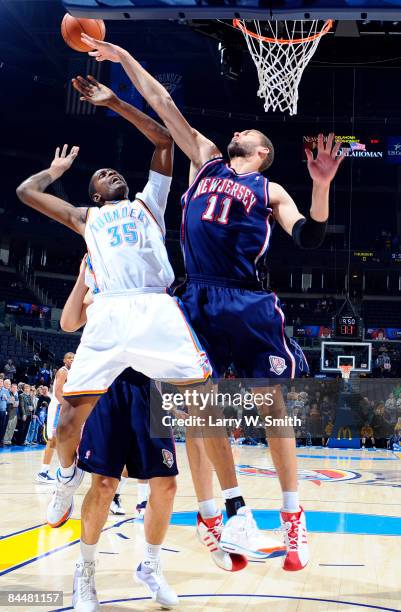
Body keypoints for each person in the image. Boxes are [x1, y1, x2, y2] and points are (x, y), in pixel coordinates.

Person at [79, 33, 344, 571]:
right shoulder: (205, 160)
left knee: (272, 408)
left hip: (246, 300)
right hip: (195, 293)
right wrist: (124, 58)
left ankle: (293, 520)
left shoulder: (270, 191)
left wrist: (321, 187)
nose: (238, 129)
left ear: (262, 153)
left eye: (248, 131)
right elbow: (163, 104)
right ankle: (214, 518)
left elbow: (309, 237)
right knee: (196, 409)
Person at [16, 76, 211, 531]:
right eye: (103, 175)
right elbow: (27, 193)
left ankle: (220, 510)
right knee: (67, 423)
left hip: (153, 307)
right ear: (96, 194)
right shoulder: (88, 218)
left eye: (115, 171)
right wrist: (55, 173)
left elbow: (163, 141)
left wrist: (116, 102)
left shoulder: (149, 203)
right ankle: (66, 478)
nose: (112, 173)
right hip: (107, 316)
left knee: (203, 401)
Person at [59, 257, 179, 611]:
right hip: (107, 382)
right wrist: (82, 275)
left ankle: (151, 565)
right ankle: (86, 574)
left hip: (151, 385)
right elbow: (67, 322)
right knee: (104, 484)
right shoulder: (97, 271)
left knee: (166, 484)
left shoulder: (149, 266)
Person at [35, 353, 74, 483]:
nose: (72, 360)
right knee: (53, 439)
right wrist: (67, 406)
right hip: (58, 407)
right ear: (64, 360)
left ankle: (57, 471)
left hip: (63, 407)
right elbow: (58, 392)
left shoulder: (72, 372)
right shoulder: (63, 371)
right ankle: (43, 472)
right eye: (69, 358)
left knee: (60, 440)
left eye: (74, 358)